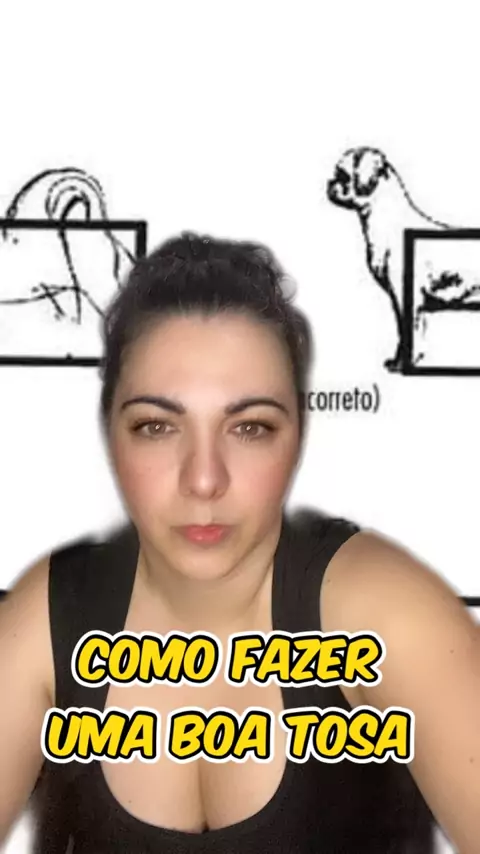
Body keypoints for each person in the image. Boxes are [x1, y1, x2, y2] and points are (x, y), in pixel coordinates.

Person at [0, 232, 478, 853]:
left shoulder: (385, 612)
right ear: (110, 434)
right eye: (157, 426)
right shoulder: (50, 616)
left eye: (250, 427)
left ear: (298, 437)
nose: (204, 480)